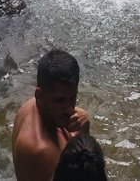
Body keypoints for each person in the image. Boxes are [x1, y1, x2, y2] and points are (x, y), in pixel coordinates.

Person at [12, 49, 90, 181]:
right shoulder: (42, 149)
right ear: (39, 95)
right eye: (60, 100)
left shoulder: (31, 105)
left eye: (73, 98)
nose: (69, 109)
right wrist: (85, 134)